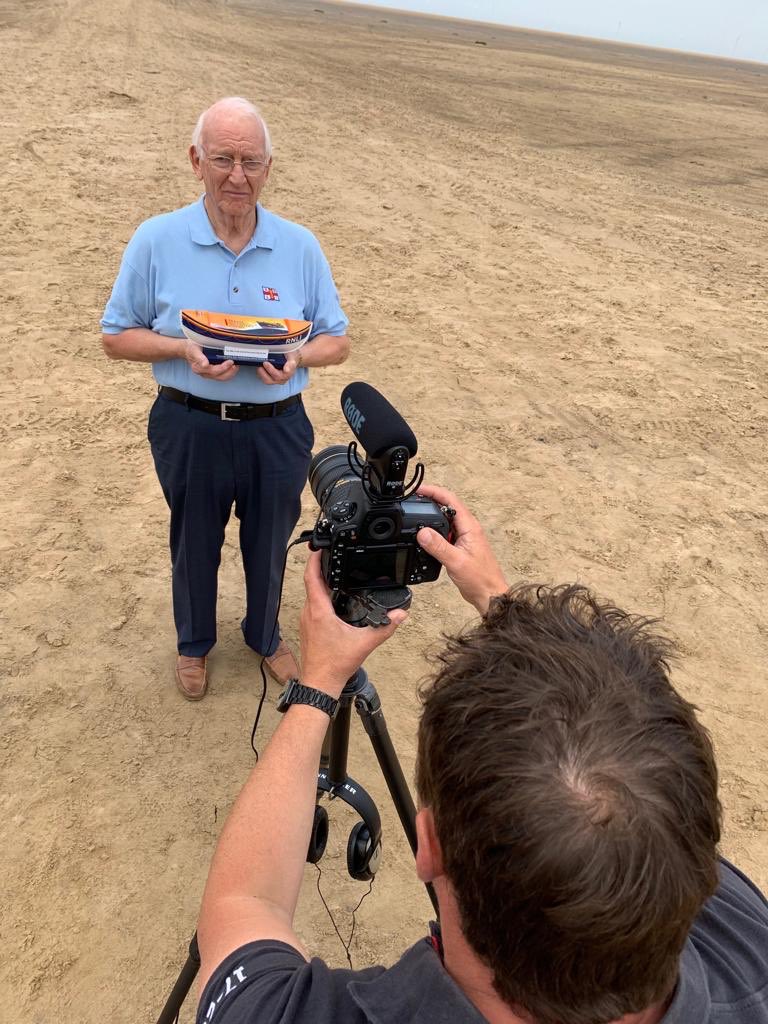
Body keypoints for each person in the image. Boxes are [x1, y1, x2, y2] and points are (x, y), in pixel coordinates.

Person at [191, 483, 768, 1024]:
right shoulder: (748, 950)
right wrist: (502, 605)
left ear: (428, 845)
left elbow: (244, 906)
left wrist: (317, 686)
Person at [101, 97, 349, 700]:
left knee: (270, 540)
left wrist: (296, 355)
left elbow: (335, 341)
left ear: (269, 168)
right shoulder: (157, 239)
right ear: (196, 161)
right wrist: (180, 350)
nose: (237, 175)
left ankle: (265, 636)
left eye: (251, 161)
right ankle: (193, 645)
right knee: (195, 539)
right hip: (190, 423)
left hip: (278, 424)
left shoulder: (300, 246)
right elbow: (115, 336)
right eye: (223, 159)